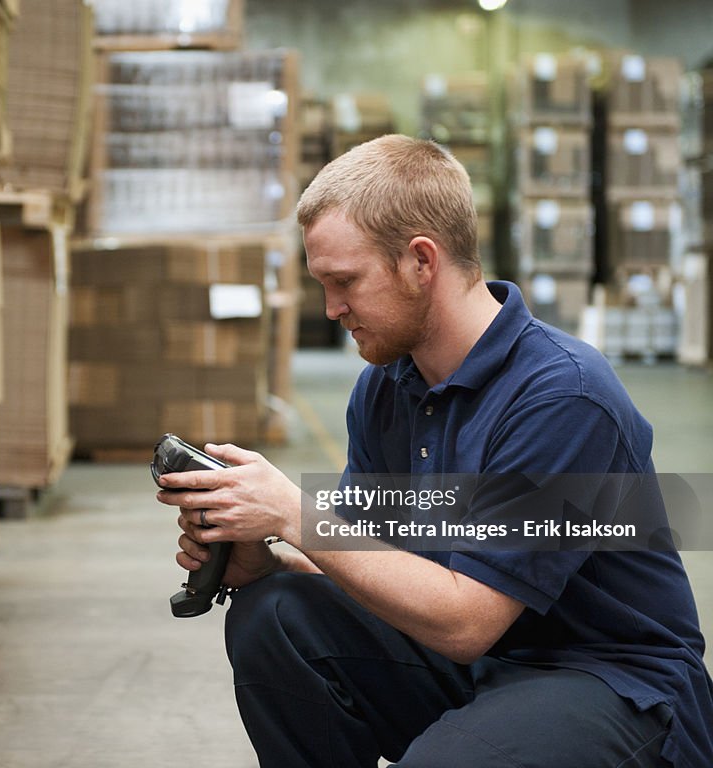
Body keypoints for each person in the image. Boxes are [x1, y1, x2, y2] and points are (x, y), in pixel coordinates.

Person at [155, 134, 713, 768]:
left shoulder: (563, 395)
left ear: (422, 261)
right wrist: (272, 563)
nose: (332, 309)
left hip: (605, 678)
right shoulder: (388, 386)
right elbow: (379, 559)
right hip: (480, 661)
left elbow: (469, 618)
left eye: (345, 283)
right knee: (275, 615)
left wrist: (295, 514)